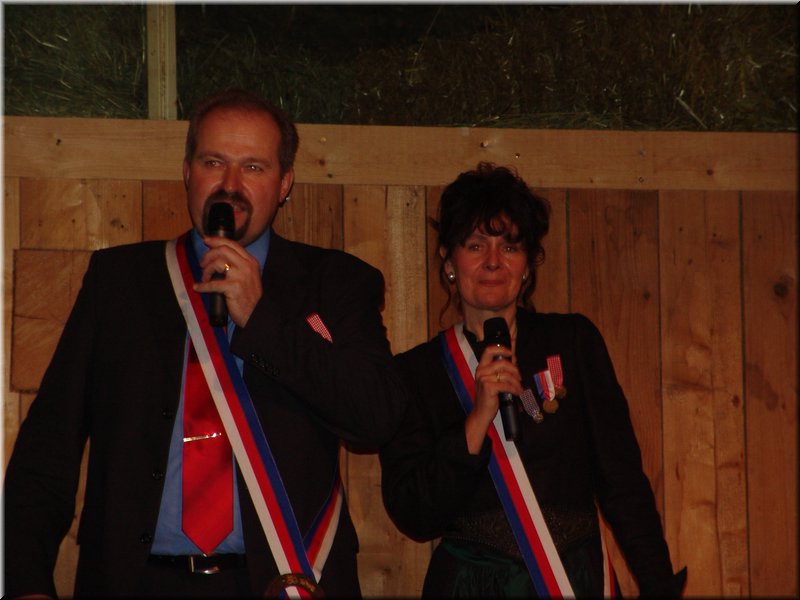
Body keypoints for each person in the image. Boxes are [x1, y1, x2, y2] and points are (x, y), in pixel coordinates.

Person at [4, 89, 408, 598]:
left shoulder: (335, 283)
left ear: (284, 184)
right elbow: (47, 448)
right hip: (137, 582)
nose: (230, 185)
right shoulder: (120, 282)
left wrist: (261, 319)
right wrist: (27, 583)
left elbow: (376, 417)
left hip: (283, 581)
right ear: (187, 172)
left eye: (254, 167)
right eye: (213, 162)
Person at [379, 162, 686, 597]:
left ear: (527, 264)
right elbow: (414, 514)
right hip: (472, 585)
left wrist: (658, 584)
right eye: (475, 245)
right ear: (448, 260)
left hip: (575, 579)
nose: (492, 262)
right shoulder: (415, 373)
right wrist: (477, 420)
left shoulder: (573, 342)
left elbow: (621, 481)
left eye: (509, 246)